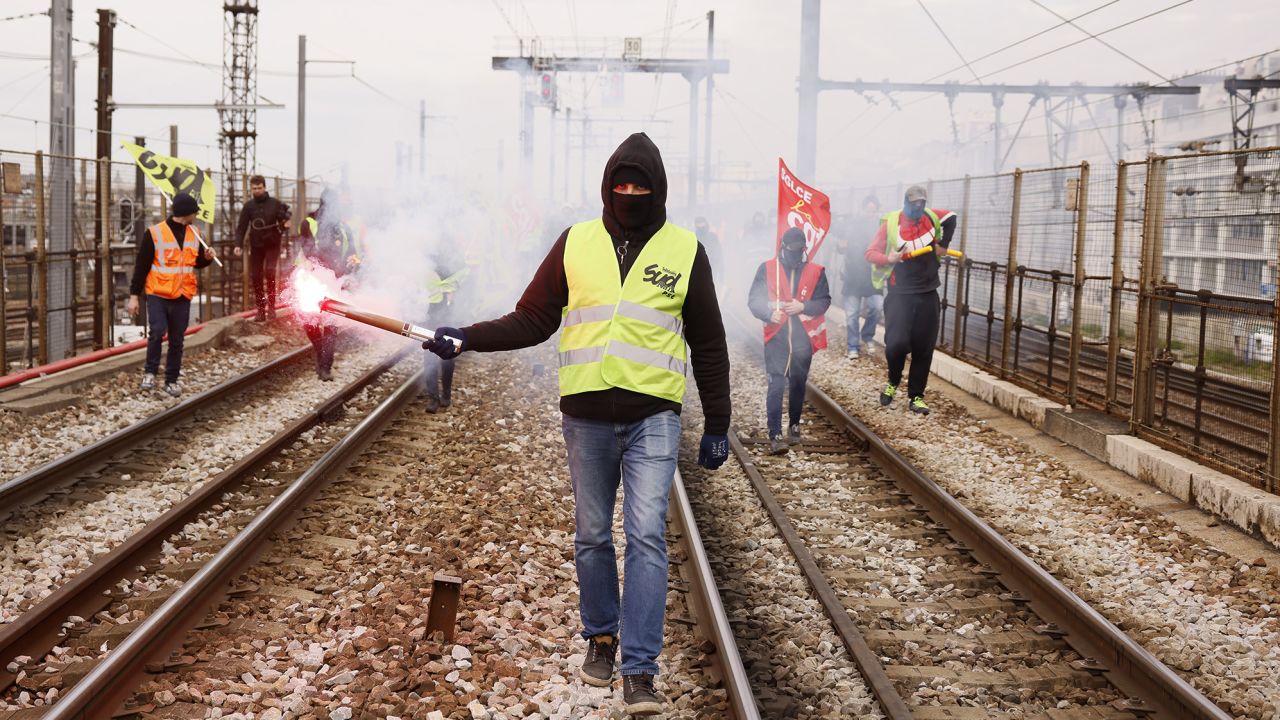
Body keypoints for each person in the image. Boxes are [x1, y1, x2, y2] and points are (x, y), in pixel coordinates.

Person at [422, 132, 731, 716]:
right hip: (586, 418)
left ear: (658, 188)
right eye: (622, 183)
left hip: (654, 417)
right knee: (592, 536)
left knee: (644, 537)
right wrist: (466, 337)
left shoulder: (685, 250)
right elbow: (532, 318)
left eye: (641, 184)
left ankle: (640, 669)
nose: (630, 193)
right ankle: (602, 637)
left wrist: (718, 420)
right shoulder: (575, 242)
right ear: (608, 185)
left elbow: (710, 343)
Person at [865, 184, 957, 415]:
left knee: (923, 347)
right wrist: (889, 257)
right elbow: (870, 253)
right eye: (913, 202)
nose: (918, 206)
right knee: (896, 345)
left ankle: (916, 396)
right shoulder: (892, 223)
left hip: (927, 293)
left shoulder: (932, 217)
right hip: (899, 294)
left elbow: (952, 217)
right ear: (906, 202)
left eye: (921, 203)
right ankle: (893, 380)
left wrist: (943, 246)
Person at [748, 227, 831, 454]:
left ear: (804, 250)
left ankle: (794, 424)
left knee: (798, 381)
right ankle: (775, 433)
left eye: (799, 250)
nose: (795, 254)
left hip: (803, 336)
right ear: (782, 247)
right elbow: (753, 300)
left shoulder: (816, 271)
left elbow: (824, 301)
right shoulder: (767, 269)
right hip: (777, 335)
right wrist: (768, 314)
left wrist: (803, 306)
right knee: (776, 382)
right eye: (791, 250)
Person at [127, 192, 216, 396]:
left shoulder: (195, 233)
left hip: (183, 295)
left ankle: (171, 379)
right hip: (158, 293)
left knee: (177, 339)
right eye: (194, 212)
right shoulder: (155, 233)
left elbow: (196, 262)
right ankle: (150, 373)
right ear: (187, 213)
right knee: (157, 332)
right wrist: (134, 296)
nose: (196, 215)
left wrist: (207, 258)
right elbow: (141, 267)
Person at [297, 189, 357, 381]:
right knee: (309, 320)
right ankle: (322, 352)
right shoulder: (309, 223)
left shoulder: (344, 228)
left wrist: (352, 263)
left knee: (331, 324)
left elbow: (352, 252)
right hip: (314, 279)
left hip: (336, 282)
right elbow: (306, 249)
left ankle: (325, 367)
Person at [233, 175, 290, 321]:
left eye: (259, 188)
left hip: (272, 243)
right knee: (256, 276)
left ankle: (271, 308)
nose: (257, 191)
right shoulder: (248, 206)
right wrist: (238, 244)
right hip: (256, 245)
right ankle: (260, 310)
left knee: (270, 272)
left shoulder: (275, 203)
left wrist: (285, 223)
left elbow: (284, 219)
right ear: (251, 189)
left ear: (264, 187)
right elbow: (242, 226)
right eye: (254, 188)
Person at [837, 196, 884, 359]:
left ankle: (867, 335)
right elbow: (841, 246)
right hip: (852, 275)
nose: (870, 213)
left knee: (877, 306)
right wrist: (841, 246)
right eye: (868, 210)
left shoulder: (881, 226)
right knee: (852, 314)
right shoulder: (851, 223)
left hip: (872, 275)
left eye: (873, 210)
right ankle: (853, 346)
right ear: (863, 209)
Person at [421, 251, 467, 413]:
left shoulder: (450, 257)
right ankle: (433, 397)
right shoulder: (423, 258)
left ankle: (446, 393)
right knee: (429, 357)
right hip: (428, 314)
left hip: (447, 313)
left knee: (448, 356)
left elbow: (461, 278)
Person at [693, 216, 723, 282]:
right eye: (699, 227)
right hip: (700, 270)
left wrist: (721, 276)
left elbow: (719, 255)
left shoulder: (712, 237)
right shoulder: (694, 238)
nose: (701, 229)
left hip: (711, 268)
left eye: (702, 226)